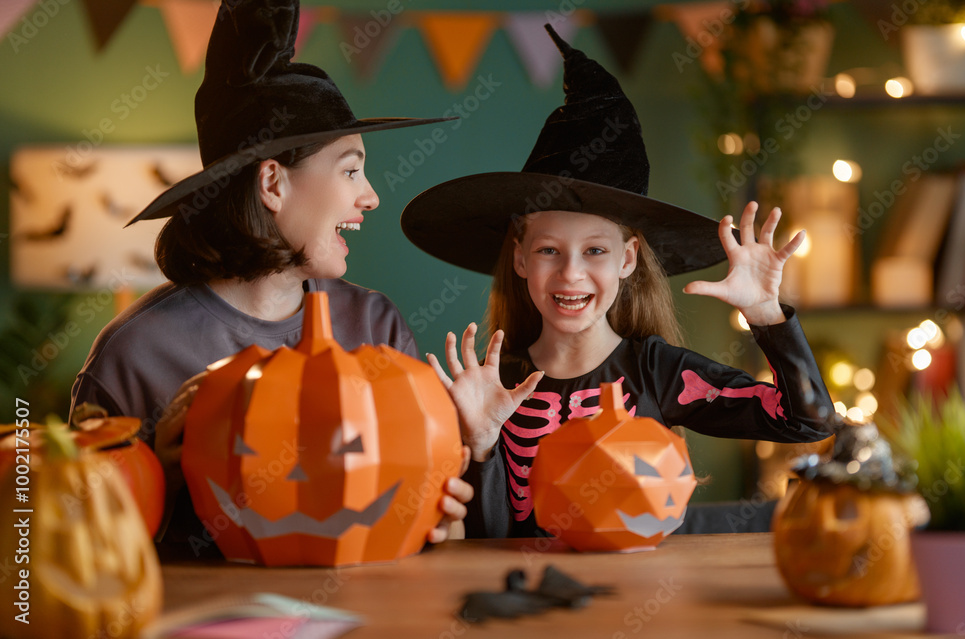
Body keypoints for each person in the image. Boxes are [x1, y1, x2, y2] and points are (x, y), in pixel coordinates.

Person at [400, 25, 835, 538]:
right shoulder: (492, 386)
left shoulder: (658, 374)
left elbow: (806, 421)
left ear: (628, 259)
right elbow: (486, 543)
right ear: (519, 259)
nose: (571, 273)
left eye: (595, 251)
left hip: (634, 603)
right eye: (547, 250)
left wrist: (766, 315)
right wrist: (482, 442)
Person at [70, 0, 471, 555]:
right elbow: (79, 556)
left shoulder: (374, 324)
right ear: (273, 185)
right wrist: (157, 467)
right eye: (351, 169)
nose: (371, 196)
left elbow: (419, 532)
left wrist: (447, 514)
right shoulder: (134, 354)